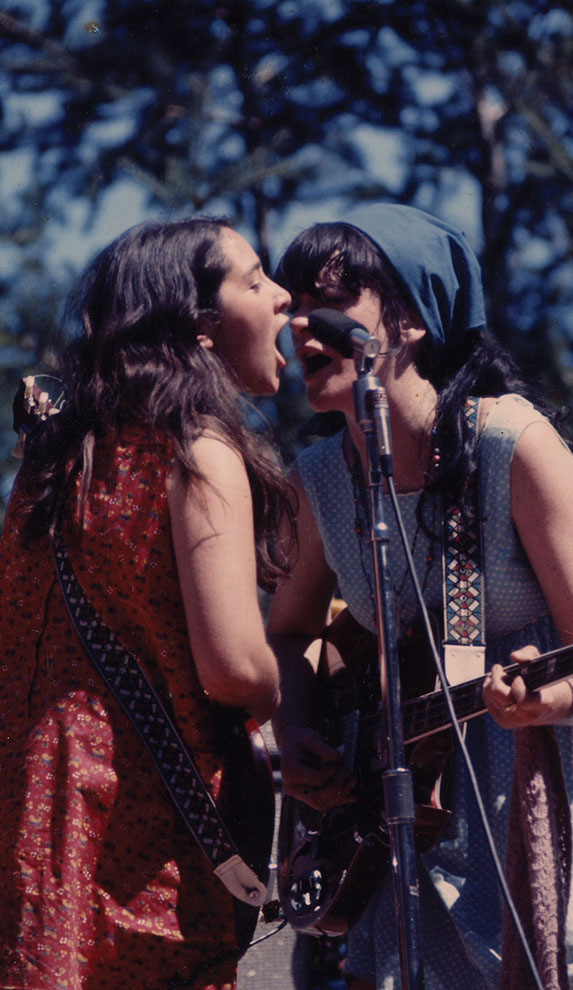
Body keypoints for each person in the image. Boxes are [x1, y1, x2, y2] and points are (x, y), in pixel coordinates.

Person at [267, 203, 573, 989]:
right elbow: (289, 628)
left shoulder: (509, 444)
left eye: (331, 302)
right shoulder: (320, 479)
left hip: (537, 794)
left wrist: (547, 700)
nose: (301, 326)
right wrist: (299, 721)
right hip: (400, 816)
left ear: (409, 319)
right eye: (294, 306)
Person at [0, 216, 294, 990]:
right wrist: (287, 691)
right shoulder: (194, 450)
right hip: (144, 831)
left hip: (35, 804)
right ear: (201, 328)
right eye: (258, 281)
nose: (284, 298)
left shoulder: (54, 465)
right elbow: (234, 667)